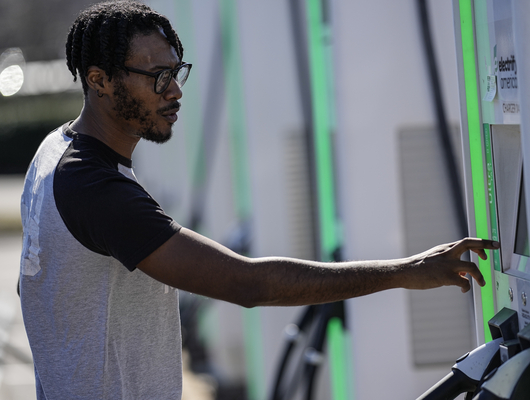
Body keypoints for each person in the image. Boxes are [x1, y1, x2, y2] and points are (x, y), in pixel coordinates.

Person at [18, 1, 498, 399]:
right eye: (158, 77)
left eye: (176, 71)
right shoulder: (97, 190)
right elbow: (246, 284)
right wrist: (405, 271)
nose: (176, 90)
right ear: (99, 80)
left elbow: (32, 287)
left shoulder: (53, 153)